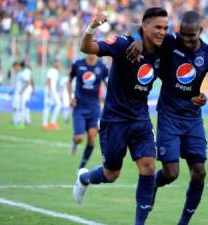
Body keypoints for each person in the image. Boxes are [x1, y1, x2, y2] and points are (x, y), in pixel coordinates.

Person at [126, 10, 208, 225]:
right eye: (183, 34)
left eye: (191, 35)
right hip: (169, 116)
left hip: (192, 118)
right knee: (171, 173)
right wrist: (136, 40)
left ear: (200, 31)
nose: (187, 39)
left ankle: (183, 222)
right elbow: (135, 25)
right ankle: (153, 184)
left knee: (199, 172)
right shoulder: (171, 41)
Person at [72, 7, 169, 225]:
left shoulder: (165, 47)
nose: (162, 32)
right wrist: (92, 28)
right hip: (114, 120)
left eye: (165, 28)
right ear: (145, 27)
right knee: (111, 174)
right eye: (158, 27)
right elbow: (85, 47)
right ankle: (84, 178)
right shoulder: (124, 44)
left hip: (141, 119)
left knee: (148, 167)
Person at [68, 54, 108, 169]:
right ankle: (74, 142)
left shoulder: (102, 67)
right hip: (79, 107)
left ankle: (81, 166)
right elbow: (69, 80)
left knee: (91, 137)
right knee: (79, 138)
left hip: (94, 107)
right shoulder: (78, 64)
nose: (91, 52)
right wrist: (70, 97)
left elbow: (108, 85)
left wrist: (110, 100)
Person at [11, 61, 33, 128]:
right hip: (19, 93)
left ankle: (21, 123)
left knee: (21, 108)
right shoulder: (20, 73)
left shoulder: (23, 74)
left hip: (21, 94)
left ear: (18, 66)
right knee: (17, 108)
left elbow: (28, 82)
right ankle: (17, 122)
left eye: (15, 67)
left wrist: (21, 91)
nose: (14, 69)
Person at [42, 58, 62, 130]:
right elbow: (49, 80)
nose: (58, 64)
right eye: (57, 62)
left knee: (58, 104)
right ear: (54, 63)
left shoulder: (56, 71)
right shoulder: (51, 70)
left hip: (53, 90)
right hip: (50, 90)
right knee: (48, 106)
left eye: (59, 63)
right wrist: (49, 91)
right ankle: (45, 124)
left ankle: (52, 122)